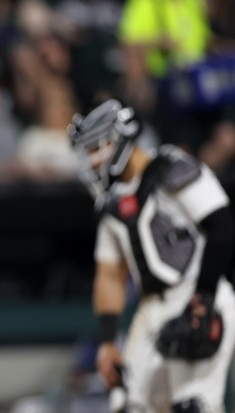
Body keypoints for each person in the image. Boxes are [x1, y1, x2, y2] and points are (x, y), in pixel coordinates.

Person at [68, 99, 235, 412]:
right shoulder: (112, 204)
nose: (91, 162)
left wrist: (205, 295)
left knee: (194, 406)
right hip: (151, 310)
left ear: (117, 140)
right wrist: (106, 341)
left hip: (197, 295)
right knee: (128, 404)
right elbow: (109, 274)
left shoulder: (173, 167)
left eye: (95, 149)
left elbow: (222, 226)